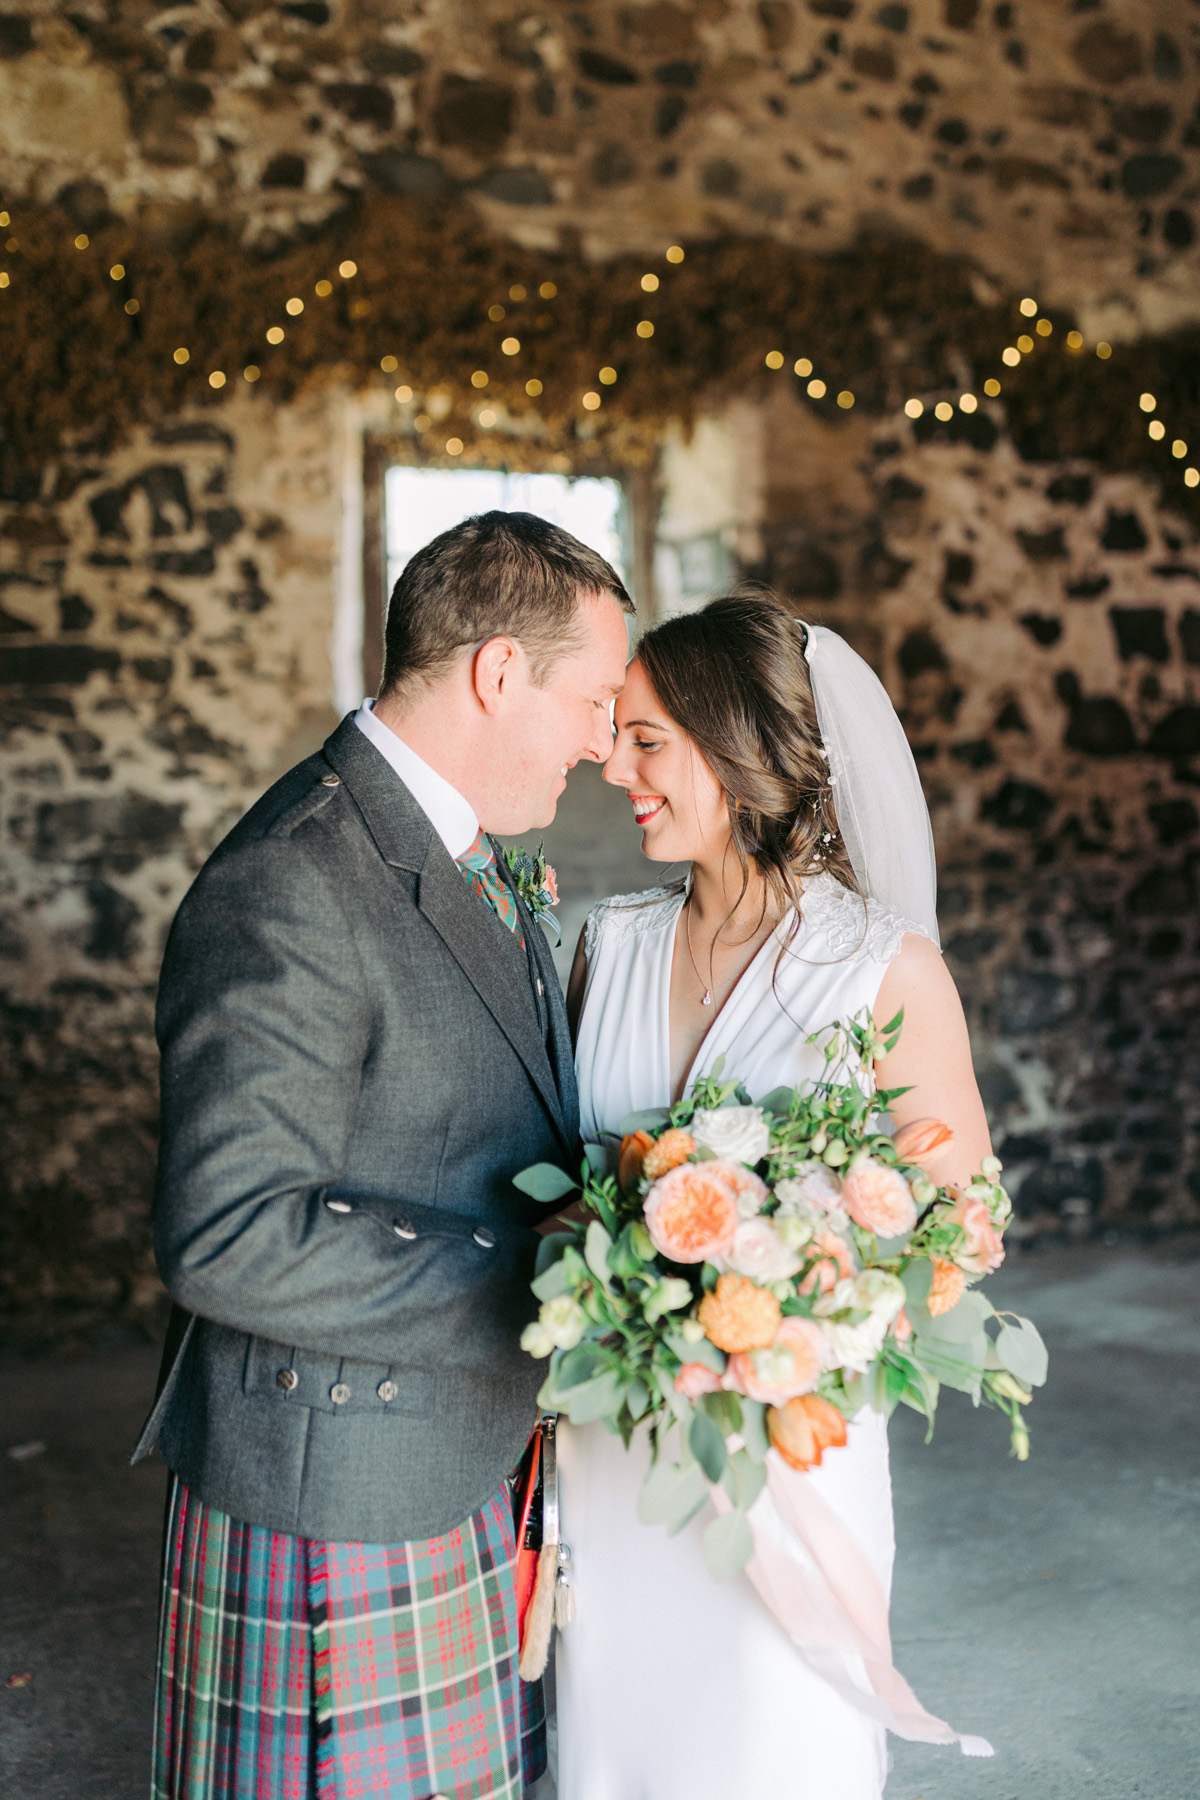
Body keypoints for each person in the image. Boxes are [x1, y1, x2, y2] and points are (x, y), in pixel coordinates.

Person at [131, 510, 632, 1800]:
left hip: (440, 1457)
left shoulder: (464, 853)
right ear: (497, 673)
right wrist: (554, 1281)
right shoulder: (295, 878)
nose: (599, 737)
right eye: (589, 697)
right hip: (336, 1492)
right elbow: (227, 1230)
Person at [557, 592, 993, 1800]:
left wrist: (794, 1305)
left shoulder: (883, 969)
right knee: (616, 1754)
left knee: (773, 1745)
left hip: (784, 1461)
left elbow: (962, 1223)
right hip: (616, 1457)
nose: (613, 765)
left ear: (739, 749)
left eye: (648, 740)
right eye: (616, 732)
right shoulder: (612, 945)